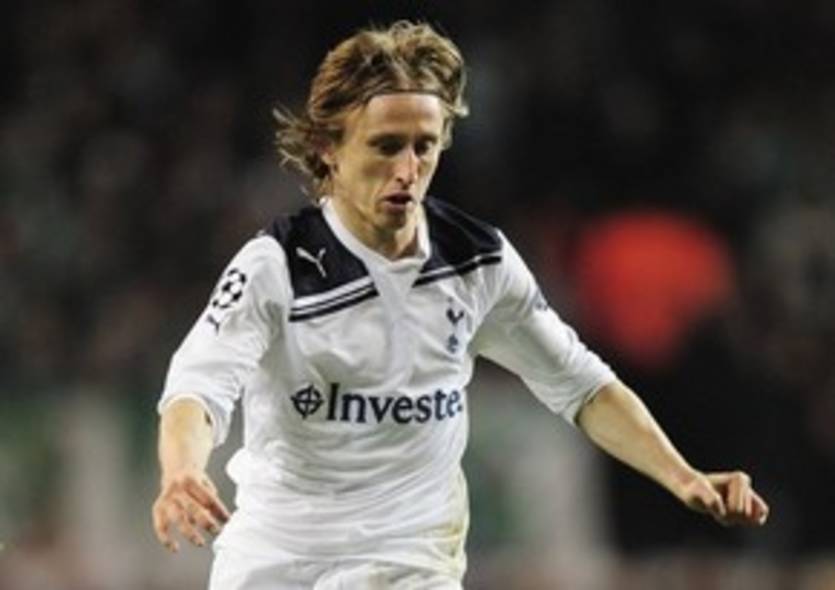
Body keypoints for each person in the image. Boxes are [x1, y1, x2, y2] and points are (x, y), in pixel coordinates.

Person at [151, 20, 769, 589]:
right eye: (386, 146)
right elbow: (198, 388)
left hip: (410, 560)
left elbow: (581, 385)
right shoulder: (277, 265)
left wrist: (683, 476)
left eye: (424, 145)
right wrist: (182, 470)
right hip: (280, 556)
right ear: (329, 148)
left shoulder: (477, 262)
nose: (408, 169)